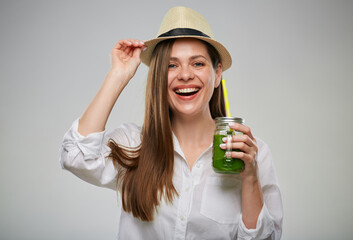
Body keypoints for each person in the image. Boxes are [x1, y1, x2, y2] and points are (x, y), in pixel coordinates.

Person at [60, 6, 283, 240]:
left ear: (217, 74)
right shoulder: (133, 144)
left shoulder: (253, 155)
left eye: (197, 64)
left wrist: (249, 177)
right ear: (158, 76)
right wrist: (118, 75)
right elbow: (75, 156)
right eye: (171, 65)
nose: (185, 75)